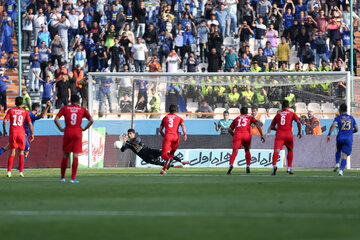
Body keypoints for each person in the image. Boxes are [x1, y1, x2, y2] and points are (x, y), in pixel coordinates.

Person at [54, 95, 94, 183]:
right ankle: (73, 178)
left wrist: (61, 128)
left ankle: (62, 178)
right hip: (77, 133)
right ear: (78, 101)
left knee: (65, 155)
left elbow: (56, 119)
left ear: (70, 100)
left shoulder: (65, 108)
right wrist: (84, 128)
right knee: (75, 155)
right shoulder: (82, 109)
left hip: (68, 132)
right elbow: (91, 120)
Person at [121, 129, 188, 168]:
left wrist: (127, 141)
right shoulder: (128, 144)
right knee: (159, 163)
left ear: (134, 134)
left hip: (149, 151)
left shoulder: (137, 138)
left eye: (130, 133)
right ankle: (176, 166)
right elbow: (122, 150)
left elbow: (135, 143)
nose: (129, 135)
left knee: (165, 153)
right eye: (128, 134)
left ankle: (182, 161)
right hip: (146, 158)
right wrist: (122, 143)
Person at [227, 107, 265, 175]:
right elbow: (257, 124)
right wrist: (261, 134)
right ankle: (248, 166)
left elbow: (229, 130)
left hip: (237, 135)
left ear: (240, 112)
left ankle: (231, 165)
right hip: (246, 135)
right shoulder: (250, 117)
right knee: (247, 150)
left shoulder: (237, 118)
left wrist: (234, 135)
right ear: (247, 112)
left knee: (235, 151)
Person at [268, 100, 302, 175]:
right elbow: (298, 122)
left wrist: (278, 129)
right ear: (288, 106)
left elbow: (272, 126)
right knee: (290, 150)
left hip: (279, 134)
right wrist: (299, 132)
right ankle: (289, 168)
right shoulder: (292, 113)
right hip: (288, 134)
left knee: (276, 151)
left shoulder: (278, 114)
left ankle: (274, 166)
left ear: (282, 106)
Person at [3, 97, 34, 178]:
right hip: (21, 133)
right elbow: (30, 124)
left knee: (12, 152)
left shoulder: (11, 110)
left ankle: (9, 172)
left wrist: (4, 130)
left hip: (13, 133)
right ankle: (20, 172)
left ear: (15, 103)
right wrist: (32, 133)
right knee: (21, 152)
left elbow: (5, 120)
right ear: (22, 104)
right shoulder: (25, 112)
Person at [327, 104, 358, 176]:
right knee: (345, 156)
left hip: (340, 137)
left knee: (338, 150)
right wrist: (350, 132)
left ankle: (337, 163)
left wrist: (329, 134)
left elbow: (333, 125)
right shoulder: (351, 118)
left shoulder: (338, 117)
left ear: (340, 109)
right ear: (347, 110)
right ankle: (341, 171)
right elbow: (356, 129)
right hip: (348, 138)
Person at [159, 104, 187, 174]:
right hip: (176, 137)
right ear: (176, 110)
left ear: (169, 110)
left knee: (164, 154)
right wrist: (185, 134)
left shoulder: (165, 118)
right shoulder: (180, 118)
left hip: (168, 136)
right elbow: (183, 126)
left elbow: (160, 130)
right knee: (171, 154)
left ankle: (168, 160)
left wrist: (164, 136)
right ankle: (163, 170)